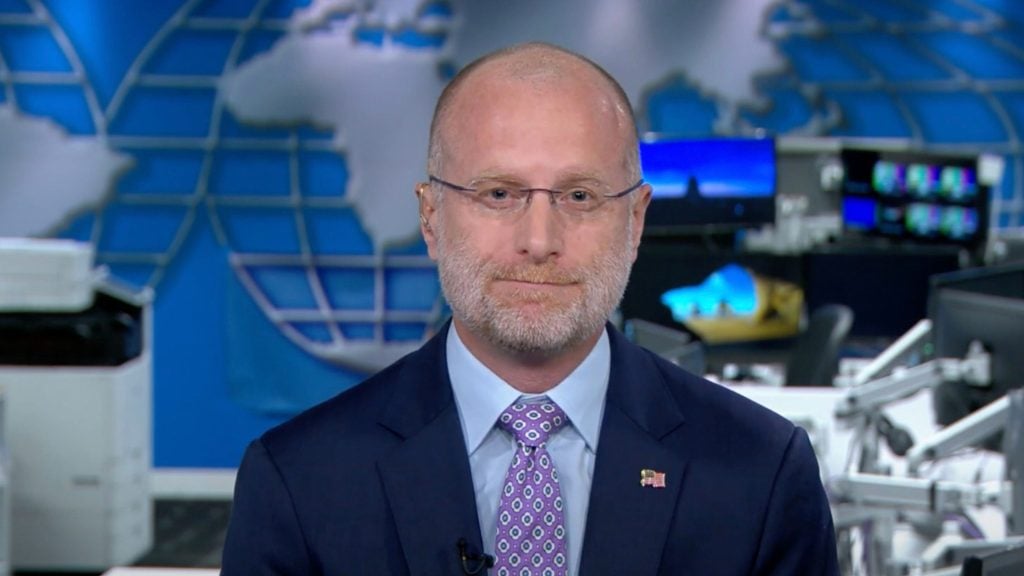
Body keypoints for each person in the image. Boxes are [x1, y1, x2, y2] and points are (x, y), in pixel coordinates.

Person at [221, 42, 839, 575]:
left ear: (635, 221)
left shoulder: (762, 473)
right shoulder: (298, 482)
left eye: (578, 195)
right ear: (431, 218)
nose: (539, 240)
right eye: (498, 193)